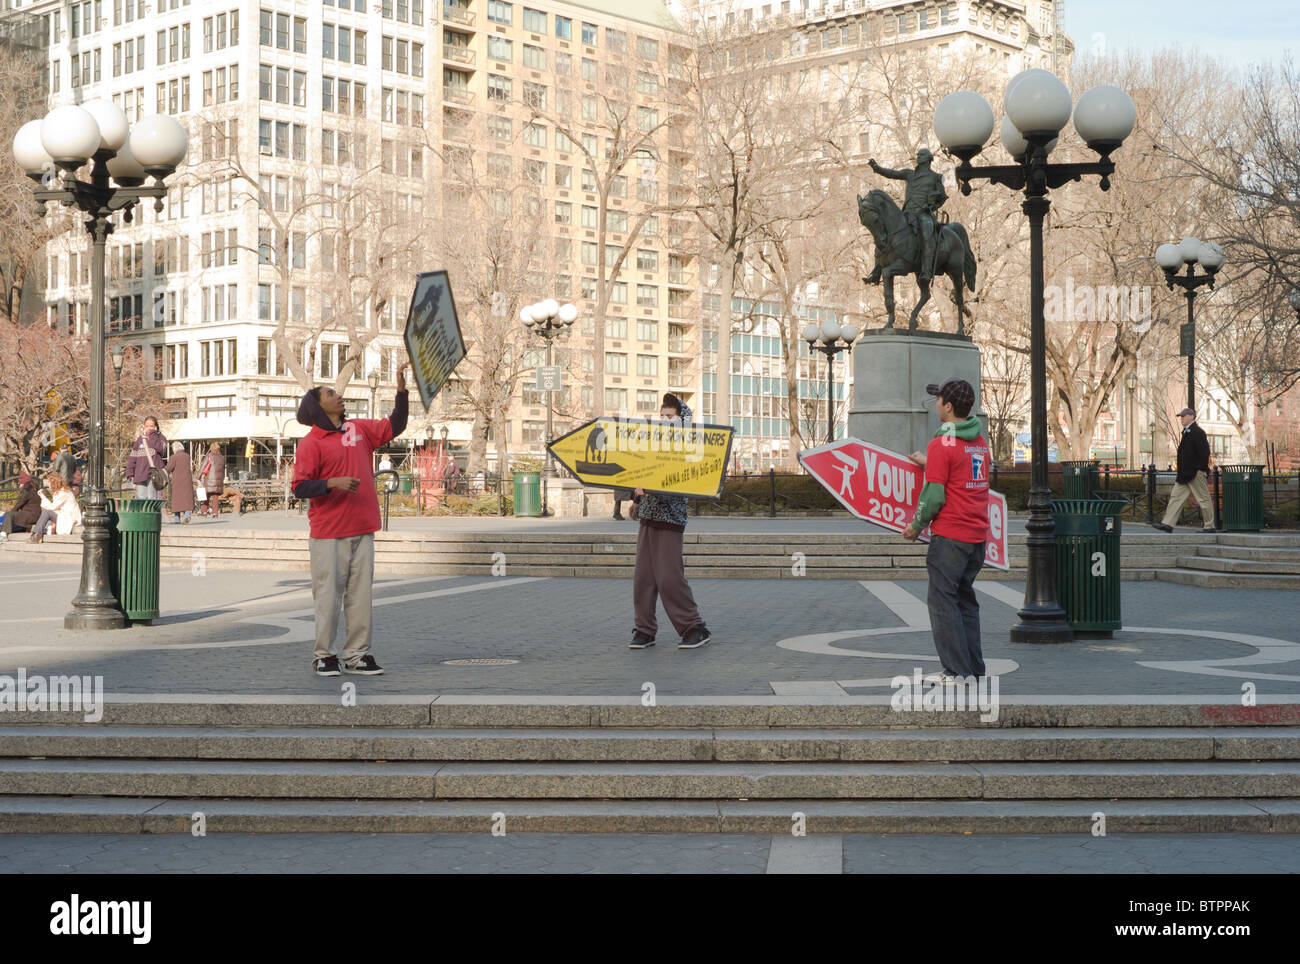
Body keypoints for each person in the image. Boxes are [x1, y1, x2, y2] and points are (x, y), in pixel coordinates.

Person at [293, 364, 410, 677]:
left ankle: (357, 656)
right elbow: (299, 488)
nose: (339, 395)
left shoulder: (358, 429)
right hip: (329, 533)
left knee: (360, 597)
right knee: (328, 597)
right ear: (318, 406)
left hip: (363, 528)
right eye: (331, 394)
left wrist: (401, 391)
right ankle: (324, 655)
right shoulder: (311, 442)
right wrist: (332, 483)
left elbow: (395, 425)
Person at [901, 378, 990, 682]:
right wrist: (931, 463)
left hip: (951, 537)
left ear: (949, 407)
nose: (935, 403)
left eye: (938, 399)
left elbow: (935, 496)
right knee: (965, 601)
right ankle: (973, 670)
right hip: (976, 537)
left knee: (942, 603)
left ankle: (954, 671)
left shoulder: (941, 444)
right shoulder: (978, 440)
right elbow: (961, 473)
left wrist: (916, 525)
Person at [629, 393, 711, 650]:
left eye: (670, 416)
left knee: (668, 578)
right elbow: (642, 477)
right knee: (643, 578)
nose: (664, 421)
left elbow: (681, 484)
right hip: (648, 518)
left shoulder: (687, 448)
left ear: (681, 418)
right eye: (662, 416)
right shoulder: (654, 445)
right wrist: (637, 500)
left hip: (671, 519)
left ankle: (694, 627)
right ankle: (644, 630)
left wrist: (651, 491)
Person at [868, 148, 947, 282]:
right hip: (907, 213)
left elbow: (942, 197)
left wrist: (932, 206)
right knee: (885, 232)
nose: (918, 156)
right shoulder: (909, 174)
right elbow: (892, 173)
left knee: (927, 236)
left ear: (928, 158)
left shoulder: (936, 177)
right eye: (918, 154)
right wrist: (877, 168)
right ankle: (876, 272)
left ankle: (927, 271)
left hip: (924, 214)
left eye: (921, 155)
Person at [1152, 407, 1215, 533]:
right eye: (1181, 416)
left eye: (1184, 416)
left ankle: (1209, 526)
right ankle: (1168, 524)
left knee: (1203, 499)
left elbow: (1204, 453)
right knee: (1176, 497)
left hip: (1194, 473)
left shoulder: (1198, 432)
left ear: (1191, 416)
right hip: (1185, 473)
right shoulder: (1187, 432)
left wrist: (1200, 469)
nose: (1182, 418)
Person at [29, 471, 82, 544]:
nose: (48, 485)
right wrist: (42, 495)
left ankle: (37, 535)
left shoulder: (63, 493)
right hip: (64, 516)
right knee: (46, 514)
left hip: (68, 518)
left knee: (46, 512)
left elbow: (52, 508)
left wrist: (42, 496)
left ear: (54, 483)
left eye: (49, 483)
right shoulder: (62, 492)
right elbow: (53, 507)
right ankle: (37, 534)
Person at [124, 416, 168, 499]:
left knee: (152, 498)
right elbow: (133, 458)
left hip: (154, 475)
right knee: (141, 499)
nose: (149, 428)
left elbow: (160, 449)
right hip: (140, 474)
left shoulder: (161, 438)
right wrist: (130, 474)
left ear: (156, 427)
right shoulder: (140, 439)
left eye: (151, 426)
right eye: (147, 426)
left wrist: (152, 435)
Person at [0, 471, 42, 543]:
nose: (19, 485)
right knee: (11, 515)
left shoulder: (27, 490)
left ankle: (4, 535)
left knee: (9, 515)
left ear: (23, 483)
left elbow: (19, 504)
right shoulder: (33, 489)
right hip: (35, 515)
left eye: (20, 483)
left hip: (30, 515)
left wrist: (10, 513)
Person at [166, 441, 195, 524]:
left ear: (174, 449)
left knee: (177, 499)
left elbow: (169, 468)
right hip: (187, 480)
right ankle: (187, 515)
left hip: (177, 481)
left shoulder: (174, 457)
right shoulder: (187, 456)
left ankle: (177, 519)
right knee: (187, 498)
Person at [197, 443, 225, 516]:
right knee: (215, 496)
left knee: (206, 495)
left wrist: (198, 477)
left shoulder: (209, 456)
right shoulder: (222, 457)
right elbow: (223, 470)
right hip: (218, 480)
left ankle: (204, 511)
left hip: (209, 479)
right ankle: (215, 513)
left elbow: (203, 466)